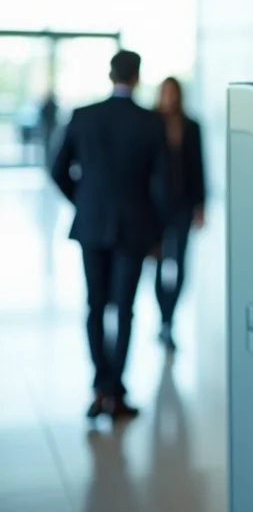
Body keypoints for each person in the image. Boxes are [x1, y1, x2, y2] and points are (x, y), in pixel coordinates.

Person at [51, 50, 168, 421]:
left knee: (95, 305)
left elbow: (56, 169)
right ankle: (116, 390)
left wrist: (82, 202)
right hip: (135, 226)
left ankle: (100, 385)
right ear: (136, 77)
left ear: (110, 75)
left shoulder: (84, 116)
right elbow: (163, 186)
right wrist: (158, 230)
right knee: (126, 309)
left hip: (91, 224)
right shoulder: (152, 122)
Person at [153, 77, 206, 352]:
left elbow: (199, 167)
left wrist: (201, 205)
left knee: (181, 264)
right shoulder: (150, 123)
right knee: (160, 263)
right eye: (165, 92)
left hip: (184, 204)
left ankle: (168, 320)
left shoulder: (192, 126)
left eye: (173, 93)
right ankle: (162, 316)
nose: (169, 97)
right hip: (157, 207)